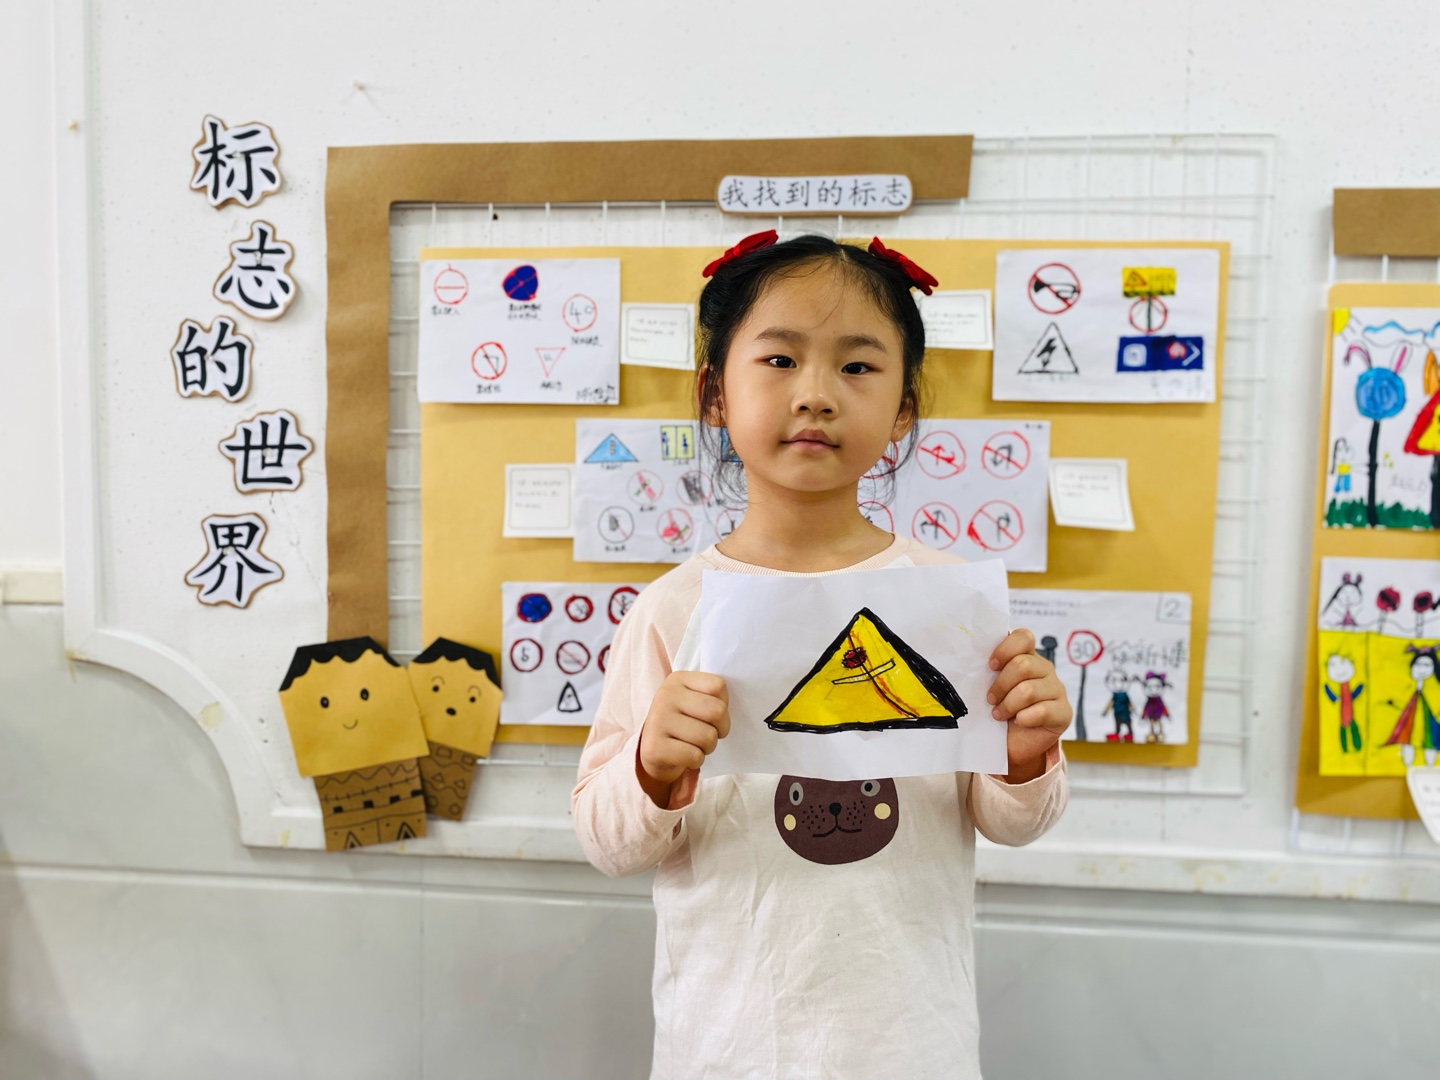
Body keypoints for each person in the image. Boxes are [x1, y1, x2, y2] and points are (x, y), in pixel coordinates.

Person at [572, 232, 1071, 1079]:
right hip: (727, 1049)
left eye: (857, 366)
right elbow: (608, 842)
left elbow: (1015, 823)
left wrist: (1023, 757)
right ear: (715, 394)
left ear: (904, 407)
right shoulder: (673, 609)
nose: (815, 395)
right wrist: (651, 767)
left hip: (910, 1047)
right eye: (778, 360)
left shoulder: (947, 601)